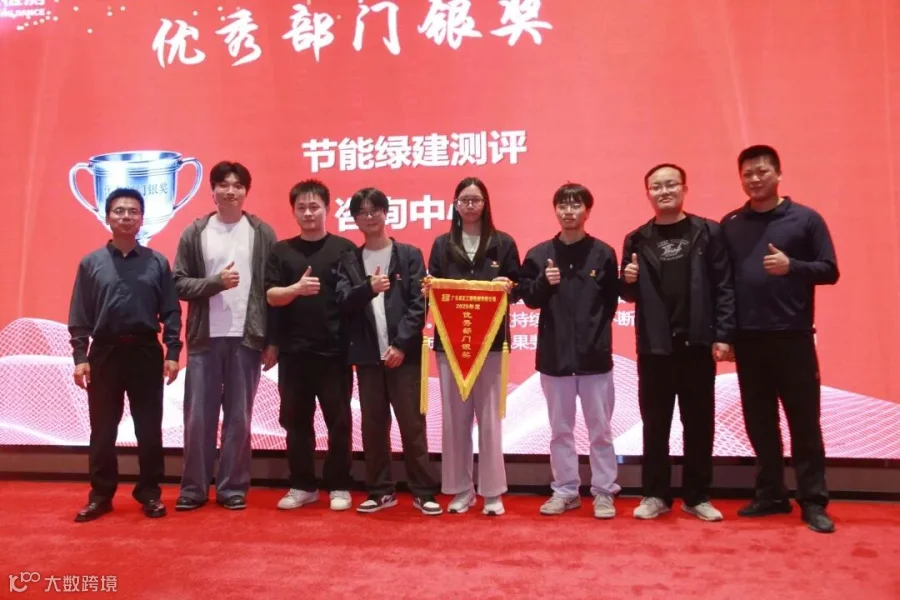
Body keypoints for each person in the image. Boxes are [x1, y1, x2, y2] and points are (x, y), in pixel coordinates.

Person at [720, 145, 840, 534]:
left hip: (793, 338)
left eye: (762, 171)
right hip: (748, 340)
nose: (755, 179)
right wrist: (724, 335)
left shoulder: (805, 219)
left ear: (778, 174)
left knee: (804, 423)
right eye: (748, 174)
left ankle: (813, 501)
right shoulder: (731, 223)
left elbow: (830, 270)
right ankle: (771, 493)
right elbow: (724, 284)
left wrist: (792, 267)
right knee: (760, 423)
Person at [620, 164, 735, 522]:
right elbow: (628, 293)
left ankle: (697, 496)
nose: (664, 191)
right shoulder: (637, 238)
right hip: (655, 346)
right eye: (656, 186)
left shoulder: (708, 231)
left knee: (699, 423)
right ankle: (655, 494)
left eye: (671, 184)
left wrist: (724, 334)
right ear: (648, 193)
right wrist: (627, 279)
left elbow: (724, 285)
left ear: (684, 188)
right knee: (655, 425)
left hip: (697, 343)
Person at [68, 188, 182, 522]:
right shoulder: (91, 263)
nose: (126, 217)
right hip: (104, 352)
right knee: (102, 430)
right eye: (119, 211)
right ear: (107, 218)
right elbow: (80, 314)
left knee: (149, 428)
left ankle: (150, 492)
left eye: (133, 211)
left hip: (146, 351)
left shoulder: (157, 262)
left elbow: (171, 311)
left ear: (142, 219)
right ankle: (101, 495)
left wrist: (173, 351)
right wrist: (80, 356)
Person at [172, 161, 279, 511]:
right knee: (197, 418)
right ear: (212, 191)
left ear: (246, 192)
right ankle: (193, 488)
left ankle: (233, 487)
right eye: (223, 184)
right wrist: (214, 283)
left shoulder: (262, 233)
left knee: (239, 418)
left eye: (237, 185)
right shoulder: (195, 232)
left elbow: (273, 290)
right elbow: (178, 283)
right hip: (204, 339)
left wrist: (272, 341)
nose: (230, 191)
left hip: (247, 338)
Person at [336, 187, 441, 516]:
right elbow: (342, 301)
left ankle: (423, 492)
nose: (369, 217)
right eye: (362, 213)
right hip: (368, 357)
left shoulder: (408, 255)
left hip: (404, 356)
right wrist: (368, 288)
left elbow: (419, 304)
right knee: (373, 426)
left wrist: (400, 344)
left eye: (375, 210)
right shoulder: (350, 260)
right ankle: (380, 491)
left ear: (386, 213)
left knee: (412, 426)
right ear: (354, 220)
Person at [518, 183, 621, 519]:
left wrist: (596, 338)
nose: (569, 211)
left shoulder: (603, 253)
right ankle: (565, 491)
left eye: (576, 205)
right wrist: (544, 283)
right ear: (556, 210)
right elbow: (529, 299)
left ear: (587, 211)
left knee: (600, 430)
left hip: (594, 360)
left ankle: (604, 492)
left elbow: (609, 303)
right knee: (560, 430)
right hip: (554, 359)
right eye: (563, 205)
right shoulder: (539, 254)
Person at [425, 176, 520, 516]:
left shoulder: (502, 242)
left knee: (490, 420)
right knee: (455, 420)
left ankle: (492, 492)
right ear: (455, 204)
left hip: (490, 343)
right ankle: (461, 489)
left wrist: (508, 286)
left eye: (475, 200)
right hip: (451, 344)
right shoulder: (441, 244)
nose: (469, 205)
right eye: (463, 200)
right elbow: (433, 288)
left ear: (485, 203)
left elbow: (519, 287)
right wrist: (428, 289)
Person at [265, 179, 356, 511]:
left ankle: (339, 485)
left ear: (327, 209)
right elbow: (271, 296)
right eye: (301, 207)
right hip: (294, 353)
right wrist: (296, 290)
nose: (308, 213)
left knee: (339, 421)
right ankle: (302, 484)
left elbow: (354, 298)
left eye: (314, 206)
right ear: (293, 211)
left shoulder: (345, 248)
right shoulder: (281, 251)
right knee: (295, 421)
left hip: (334, 352)